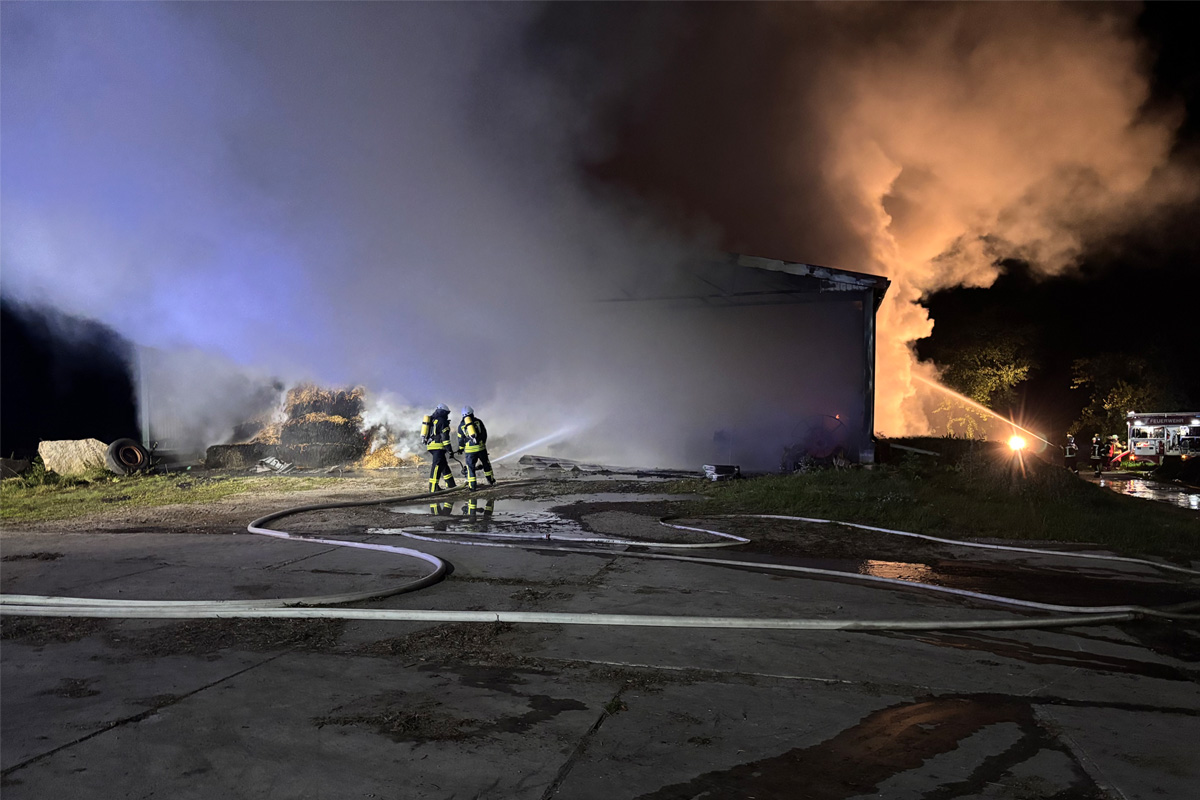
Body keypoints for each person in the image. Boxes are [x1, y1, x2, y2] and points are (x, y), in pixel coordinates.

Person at [456, 405, 495, 491]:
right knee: (486, 464)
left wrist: (461, 448)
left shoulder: (461, 426)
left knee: (470, 468)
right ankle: (491, 481)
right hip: (481, 448)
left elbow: (460, 439)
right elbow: (484, 434)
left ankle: (472, 486)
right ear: (472, 413)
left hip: (470, 451)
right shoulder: (478, 422)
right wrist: (482, 443)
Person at [420, 403, 457, 492]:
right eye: (446, 413)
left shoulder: (432, 419)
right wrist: (450, 450)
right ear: (444, 412)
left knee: (444, 465)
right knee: (436, 466)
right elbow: (445, 438)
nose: (447, 415)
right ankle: (433, 488)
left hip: (431, 445)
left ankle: (451, 484)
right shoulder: (443, 422)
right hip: (438, 447)